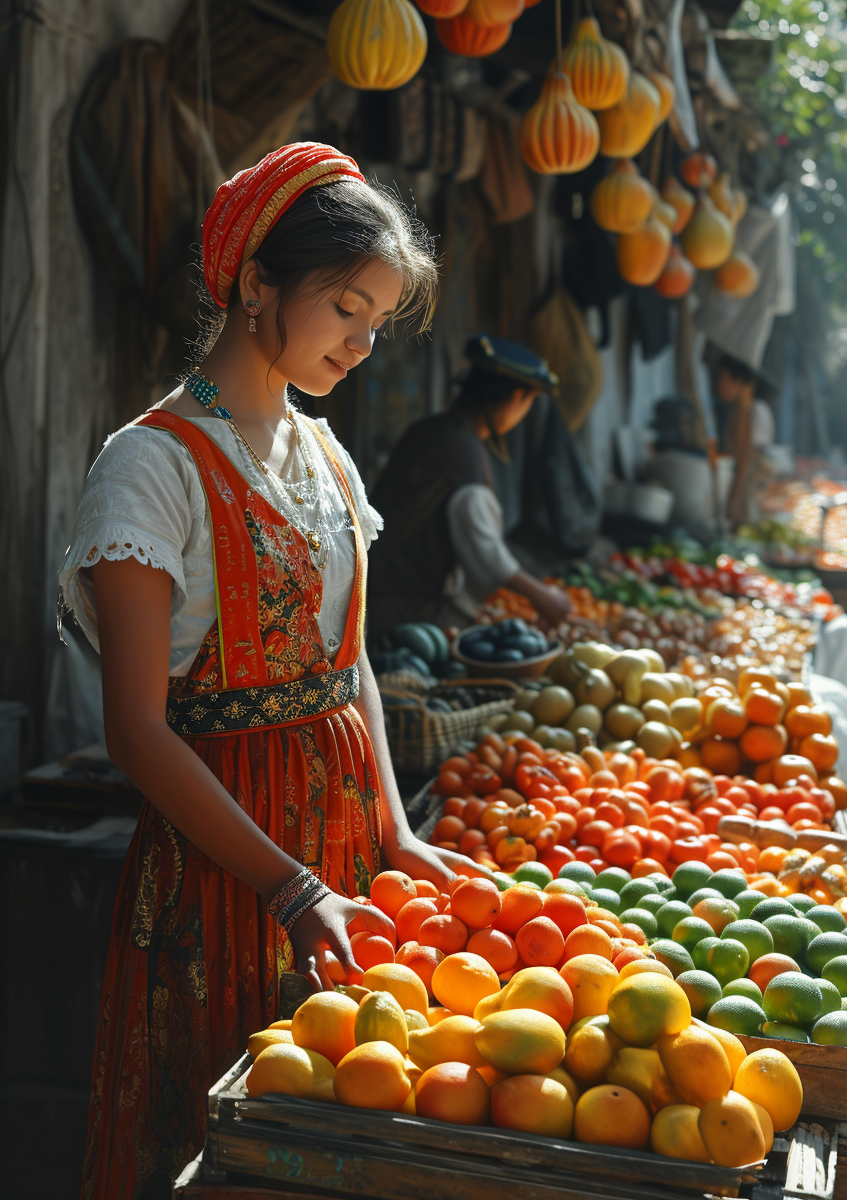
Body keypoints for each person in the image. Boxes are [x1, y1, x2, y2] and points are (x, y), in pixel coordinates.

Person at [59, 142, 484, 1200]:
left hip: (339, 859)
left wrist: (394, 831)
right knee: (224, 1146)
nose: (364, 342)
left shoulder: (326, 455)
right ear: (256, 284)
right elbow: (137, 732)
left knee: (341, 1141)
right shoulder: (149, 468)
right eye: (347, 307)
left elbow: (353, 670)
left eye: (377, 321)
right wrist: (288, 890)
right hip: (225, 867)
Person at [366, 334, 574, 636]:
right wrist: (543, 597)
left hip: (375, 593)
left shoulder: (431, 431)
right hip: (405, 614)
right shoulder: (463, 454)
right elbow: (486, 553)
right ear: (517, 397)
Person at [713, 353, 776, 526]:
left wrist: (734, 501)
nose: (718, 384)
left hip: (745, 494)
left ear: (738, 382)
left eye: (722, 378)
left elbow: (746, 460)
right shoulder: (741, 410)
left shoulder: (753, 412)